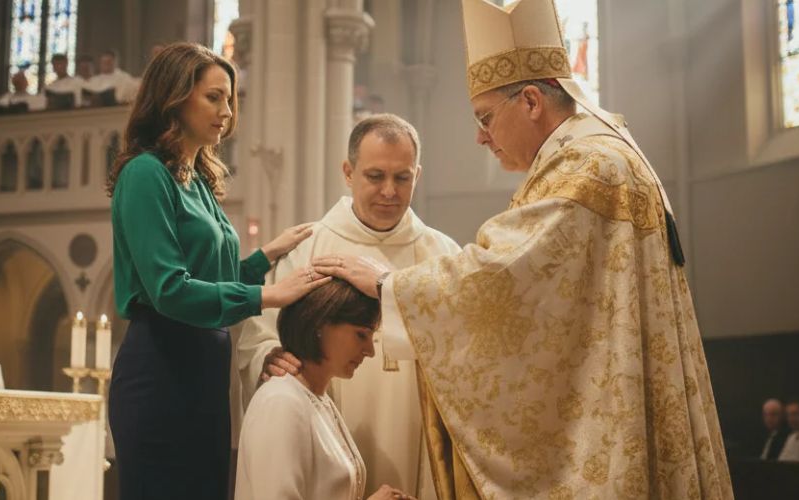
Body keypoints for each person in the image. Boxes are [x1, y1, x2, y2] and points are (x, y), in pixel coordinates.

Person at [312, 0, 733, 497]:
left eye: (486, 117)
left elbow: (504, 278)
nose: (480, 137)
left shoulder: (584, 168)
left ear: (532, 101)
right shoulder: (595, 152)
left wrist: (389, 286)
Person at [105, 42, 328, 500]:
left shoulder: (199, 180)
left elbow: (217, 278)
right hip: (160, 367)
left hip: (205, 371)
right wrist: (269, 295)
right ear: (174, 97)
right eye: (213, 97)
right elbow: (170, 290)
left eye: (230, 99)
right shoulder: (146, 175)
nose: (227, 111)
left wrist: (267, 255)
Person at [235, 113, 459, 498]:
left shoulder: (443, 255)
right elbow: (262, 335)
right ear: (348, 172)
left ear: (416, 176)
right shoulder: (307, 247)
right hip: (324, 438)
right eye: (375, 176)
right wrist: (267, 357)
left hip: (419, 434)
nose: (389, 190)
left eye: (402, 178)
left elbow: (466, 348)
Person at [235, 279, 415, 500]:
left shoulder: (318, 399)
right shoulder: (281, 402)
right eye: (361, 334)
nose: (370, 351)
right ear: (320, 324)